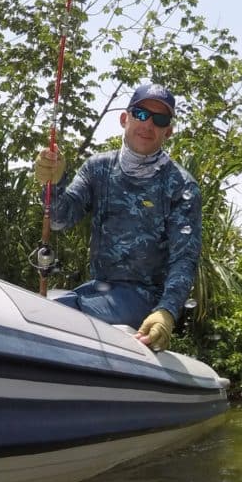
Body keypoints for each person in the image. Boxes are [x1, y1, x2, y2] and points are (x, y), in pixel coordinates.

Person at [34, 83, 202, 352]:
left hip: (146, 299)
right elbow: (60, 219)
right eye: (141, 114)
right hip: (98, 290)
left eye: (159, 119)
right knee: (43, 305)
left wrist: (167, 311)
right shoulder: (98, 168)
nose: (148, 125)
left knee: (52, 314)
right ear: (125, 118)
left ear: (168, 131)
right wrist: (53, 182)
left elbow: (184, 258)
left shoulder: (182, 185)